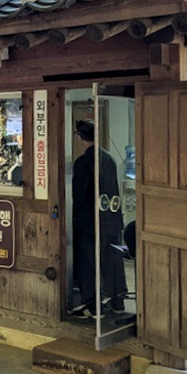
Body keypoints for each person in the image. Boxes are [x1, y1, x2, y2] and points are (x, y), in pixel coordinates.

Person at [71, 120, 127, 316]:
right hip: (111, 218)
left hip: (90, 221)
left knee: (89, 262)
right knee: (113, 261)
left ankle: (94, 306)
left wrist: (74, 217)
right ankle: (118, 301)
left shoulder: (83, 163)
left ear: (80, 138)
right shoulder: (109, 159)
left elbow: (79, 196)